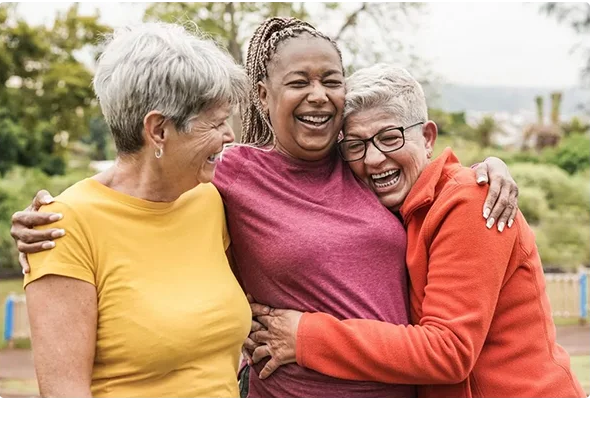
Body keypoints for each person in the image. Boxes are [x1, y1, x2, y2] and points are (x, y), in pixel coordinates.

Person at [12, 17, 520, 399]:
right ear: (263, 94)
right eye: (299, 82)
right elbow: (139, 182)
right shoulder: (226, 175)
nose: (318, 96)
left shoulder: (361, 161)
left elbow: (419, 167)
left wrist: (489, 168)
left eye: (331, 80)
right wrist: (50, 215)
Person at [243, 63, 586, 399]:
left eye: (390, 138)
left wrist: (305, 336)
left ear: (427, 138)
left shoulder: (469, 201)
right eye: (356, 146)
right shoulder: (392, 211)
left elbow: (448, 351)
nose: (374, 159)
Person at [21, 22, 252, 398]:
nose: (229, 137)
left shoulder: (209, 198)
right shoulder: (63, 227)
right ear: (158, 130)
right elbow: (65, 398)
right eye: (217, 123)